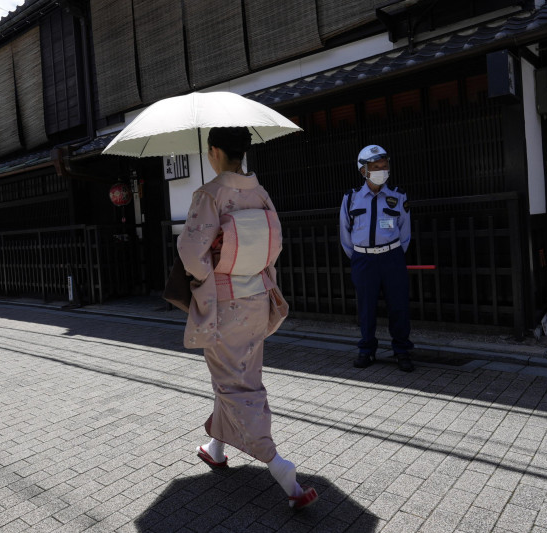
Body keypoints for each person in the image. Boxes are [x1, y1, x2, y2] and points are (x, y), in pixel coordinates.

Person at [176, 126, 318, 510]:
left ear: (215, 151)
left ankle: (280, 468)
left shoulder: (210, 193)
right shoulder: (260, 193)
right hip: (257, 296)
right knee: (239, 375)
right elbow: (275, 244)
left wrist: (208, 267)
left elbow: (192, 253)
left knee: (236, 385)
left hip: (226, 304)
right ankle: (215, 448)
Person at [339, 144, 414, 372]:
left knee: (398, 307)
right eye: (375, 166)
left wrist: (393, 253)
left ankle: (402, 351)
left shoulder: (398, 196)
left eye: (384, 165)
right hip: (363, 260)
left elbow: (405, 232)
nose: (382, 169)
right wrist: (360, 256)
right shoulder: (351, 199)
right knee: (366, 308)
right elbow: (345, 234)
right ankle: (366, 351)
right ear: (363, 171)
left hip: (392, 257)